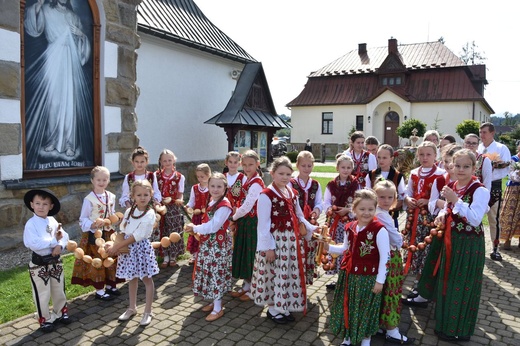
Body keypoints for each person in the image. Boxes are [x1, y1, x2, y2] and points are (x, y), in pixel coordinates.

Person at [416, 149, 489, 342]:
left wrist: (455, 200)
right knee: (447, 281)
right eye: (457, 165)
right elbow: (448, 210)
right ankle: (445, 324)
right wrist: (442, 215)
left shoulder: (480, 190)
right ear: (452, 166)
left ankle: (458, 329)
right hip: (449, 240)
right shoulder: (452, 185)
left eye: (466, 166)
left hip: (468, 244)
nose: (461, 169)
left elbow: (474, 219)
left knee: (462, 284)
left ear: (474, 168)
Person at [24, 0, 93, 167]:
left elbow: (83, 48)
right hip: (53, 57)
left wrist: (81, 35)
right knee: (53, 102)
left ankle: (69, 144)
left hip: (71, 60)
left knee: (70, 104)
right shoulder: (46, 9)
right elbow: (33, 29)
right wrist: (38, 7)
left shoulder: (73, 16)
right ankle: (51, 141)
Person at [250, 156, 318, 323]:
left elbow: (299, 215)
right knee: (274, 273)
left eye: (288, 174)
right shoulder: (266, 195)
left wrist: (312, 229)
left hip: (291, 242)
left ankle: (283, 305)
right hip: (276, 241)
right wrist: (269, 248)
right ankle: (273, 309)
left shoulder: (292, 192)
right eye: (281, 173)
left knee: (286, 273)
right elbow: (263, 225)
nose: (285, 177)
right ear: (272, 173)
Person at [325, 189, 390, 346]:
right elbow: (345, 249)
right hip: (350, 276)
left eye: (370, 209)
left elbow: (385, 258)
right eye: (362, 209)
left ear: (375, 209)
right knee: (349, 305)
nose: (366, 213)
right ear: (354, 210)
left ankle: (365, 340)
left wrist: (380, 281)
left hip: (369, 278)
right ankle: (348, 337)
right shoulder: (350, 227)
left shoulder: (379, 230)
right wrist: (328, 247)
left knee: (366, 309)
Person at [106, 180, 160, 326]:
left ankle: (148, 311)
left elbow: (137, 235)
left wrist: (118, 247)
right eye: (139, 195)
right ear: (132, 196)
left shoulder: (150, 214)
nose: (142, 198)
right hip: (128, 250)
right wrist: (114, 242)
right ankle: (132, 308)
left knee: (147, 279)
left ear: (151, 195)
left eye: (146, 195)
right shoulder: (130, 211)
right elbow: (124, 229)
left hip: (140, 249)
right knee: (132, 278)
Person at [185, 173, 233, 322]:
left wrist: (196, 227)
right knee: (210, 273)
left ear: (225, 188)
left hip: (218, 246)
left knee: (216, 274)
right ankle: (214, 302)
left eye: (219, 186)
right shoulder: (212, 201)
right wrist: (196, 230)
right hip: (209, 244)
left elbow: (214, 226)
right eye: (212, 186)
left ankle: (218, 308)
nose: (215, 189)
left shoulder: (224, 205)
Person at [72, 166, 123, 301]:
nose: (102, 182)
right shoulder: (89, 199)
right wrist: (93, 224)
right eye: (99, 179)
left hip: (109, 232)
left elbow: (111, 214)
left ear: (108, 180)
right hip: (95, 235)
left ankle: (111, 285)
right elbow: (83, 219)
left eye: (105, 179)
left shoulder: (111, 196)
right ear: (92, 181)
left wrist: (116, 219)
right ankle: (100, 290)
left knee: (111, 258)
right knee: (98, 260)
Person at [23, 189, 70, 333]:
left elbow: (65, 235)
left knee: (58, 288)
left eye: (45, 204)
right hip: (40, 264)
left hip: (55, 261)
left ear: (50, 206)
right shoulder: (31, 224)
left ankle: (60, 312)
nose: (41, 207)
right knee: (42, 292)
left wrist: (60, 245)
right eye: (38, 203)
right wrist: (54, 242)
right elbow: (33, 243)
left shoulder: (52, 220)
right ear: (32, 205)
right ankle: (45, 318)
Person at [373, 180, 414, 345]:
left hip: (378, 257)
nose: (386, 200)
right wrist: (400, 240)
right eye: (381, 197)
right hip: (389, 256)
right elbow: (395, 237)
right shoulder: (381, 214)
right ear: (375, 197)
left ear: (395, 199)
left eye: (390, 197)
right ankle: (392, 330)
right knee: (392, 292)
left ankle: (378, 324)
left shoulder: (378, 211)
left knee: (382, 293)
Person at [403, 141, 445, 296]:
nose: (425, 157)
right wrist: (408, 200)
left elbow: (441, 197)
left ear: (435, 155)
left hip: (429, 217)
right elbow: (408, 191)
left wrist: (428, 201)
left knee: (425, 248)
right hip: (413, 216)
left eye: (428, 154)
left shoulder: (440, 174)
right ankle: (414, 278)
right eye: (421, 154)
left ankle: (422, 282)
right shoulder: (414, 172)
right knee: (413, 246)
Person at [229, 150, 265, 300]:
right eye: (244, 165)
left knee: (251, 254)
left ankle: (255, 289)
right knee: (244, 252)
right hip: (244, 221)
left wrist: (233, 217)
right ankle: (246, 285)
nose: (247, 168)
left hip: (252, 222)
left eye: (250, 165)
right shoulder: (245, 179)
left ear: (257, 164)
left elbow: (247, 205)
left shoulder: (256, 183)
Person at [323, 155, 360, 289]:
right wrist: (329, 209)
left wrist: (348, 210)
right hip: (335, 221)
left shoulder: (356, 184)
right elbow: (326, 201)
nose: (345, 170)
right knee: (336, 247)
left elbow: (359, 202)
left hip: (350, 222)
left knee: (348, 247)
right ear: (337, 168)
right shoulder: (331, 185)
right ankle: (339, 277)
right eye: (343, 167)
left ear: (352, 168)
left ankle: (348, 276)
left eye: (348, 167)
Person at [289, 150, 323, 285]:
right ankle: (294, 280)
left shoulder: (315, 184)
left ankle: (305, 279)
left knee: (309, 249)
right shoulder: (291, 183)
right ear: (297, 165)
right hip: (295, 223)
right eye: (304, 166)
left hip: (310, 222)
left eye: (309, 166)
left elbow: (319, 202)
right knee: (296, 250)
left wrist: (316, 210)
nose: (306, 169)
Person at [478, 122, 511, 258]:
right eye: (480, 132)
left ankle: (495, 248)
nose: (482, 135)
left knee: (493, 218)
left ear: (492, 133)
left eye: (484, 132)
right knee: (476, 217)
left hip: (495, 185)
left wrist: (490, 164)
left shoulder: (501, 148)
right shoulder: (479, 147)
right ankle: (477, 248)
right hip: (478, 185)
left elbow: (507, 163)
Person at [154, 149, 185, 268]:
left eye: (169, 160)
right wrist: (157, 204)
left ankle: (173, 256)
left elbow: (180, 193)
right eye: (164, 160)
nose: (167, 162)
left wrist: (179, 199)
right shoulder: (156, 175)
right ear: (161, 162)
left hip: (173, 207)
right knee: (163, 230)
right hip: (160, 206)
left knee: (174, 231)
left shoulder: (179, 177)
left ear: (174, 160)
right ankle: (165, 257)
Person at [366, 144, 406, 228]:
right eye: (379, 157)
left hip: (391, 216)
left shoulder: (398, 176)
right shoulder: (371, 175)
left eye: (384, 158)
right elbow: (367, 195)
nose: (381, 160)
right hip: (374, 217)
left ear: (391, 158)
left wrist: (388, 207)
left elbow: (402, 197)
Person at [186, 163, 211, 264]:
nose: (200, 179)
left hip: (207, 217)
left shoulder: (211, 187)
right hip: (197, 217)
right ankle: (194, 255)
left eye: (202, 176)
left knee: (205, 235)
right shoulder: (195, 188)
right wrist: (188, 206)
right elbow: (192, 201)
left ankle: (205, 254)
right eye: (198, 177)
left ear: (209, 174)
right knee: (195, 235)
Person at [500, 141, 520, 249]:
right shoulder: (514, 159)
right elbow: (511, 174)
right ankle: (507, 240)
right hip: (514, 189)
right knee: (510, 214)